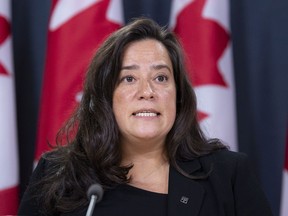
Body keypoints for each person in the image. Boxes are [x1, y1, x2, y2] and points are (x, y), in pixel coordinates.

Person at [18, 17, 273, 216]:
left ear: (179, 95)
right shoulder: (59, 174)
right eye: (129, 78)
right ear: (107, 95)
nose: (147, 92)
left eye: (160, 78)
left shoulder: (228, 176)